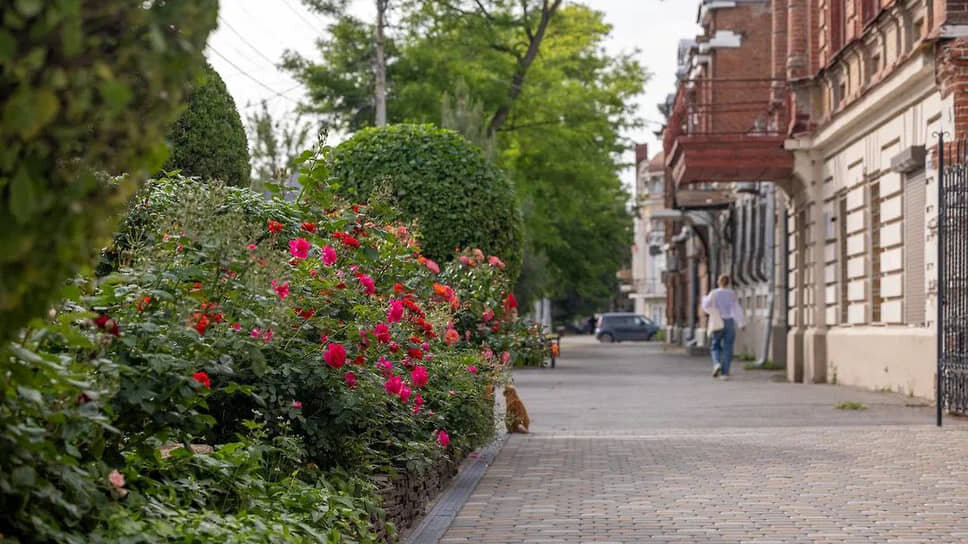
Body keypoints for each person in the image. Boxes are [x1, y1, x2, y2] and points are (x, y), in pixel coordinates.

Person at [701, 274, 745, 380]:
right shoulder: (731, 294)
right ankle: (725, 373)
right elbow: (736, 309)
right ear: (728, 282)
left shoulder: (714, 293)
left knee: (715, 345)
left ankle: (716, 364)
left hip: (718, 321)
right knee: (728, 347)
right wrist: (741, 323)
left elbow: (706, 306)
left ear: (718, 282)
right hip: (729, 321)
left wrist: (712, 311)